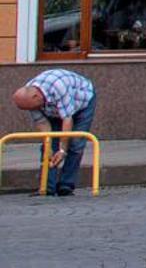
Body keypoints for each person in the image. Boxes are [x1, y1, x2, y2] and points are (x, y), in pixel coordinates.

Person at [12, 68, 96, 197]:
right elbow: (43, 124)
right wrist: (49, 146)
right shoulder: (29, 98)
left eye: (33, 107)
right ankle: (47, 188)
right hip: (54, 109)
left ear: (36, 96)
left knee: (76, 144)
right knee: (47, 147)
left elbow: (67, 120)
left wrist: (62, 150)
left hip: (82, 102)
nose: (34, 110)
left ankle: (66, 185)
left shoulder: (59, 87)